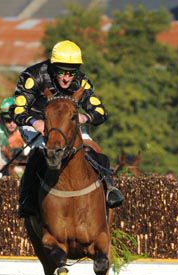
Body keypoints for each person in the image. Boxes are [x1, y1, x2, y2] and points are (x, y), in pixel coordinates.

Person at [11, 40, 124, 217]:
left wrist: (84, 117)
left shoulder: (81, 81)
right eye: (61, 72)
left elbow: (101, 112)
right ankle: (27, 199)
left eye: (71, 73)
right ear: (53, 66)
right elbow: (16, 110)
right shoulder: (33, 76)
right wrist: (36, 122)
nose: (66, 78)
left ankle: (110, 188)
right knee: (39, 151)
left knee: (91, 147)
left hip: (68, 125)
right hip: (36, 124)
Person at [0, 97, 29, 177]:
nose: (11, 124)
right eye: (7, 120)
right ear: (2, 118)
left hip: (23, 162)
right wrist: (0, 166)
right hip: (3, 162)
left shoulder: (25, 125)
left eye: (14, 119)